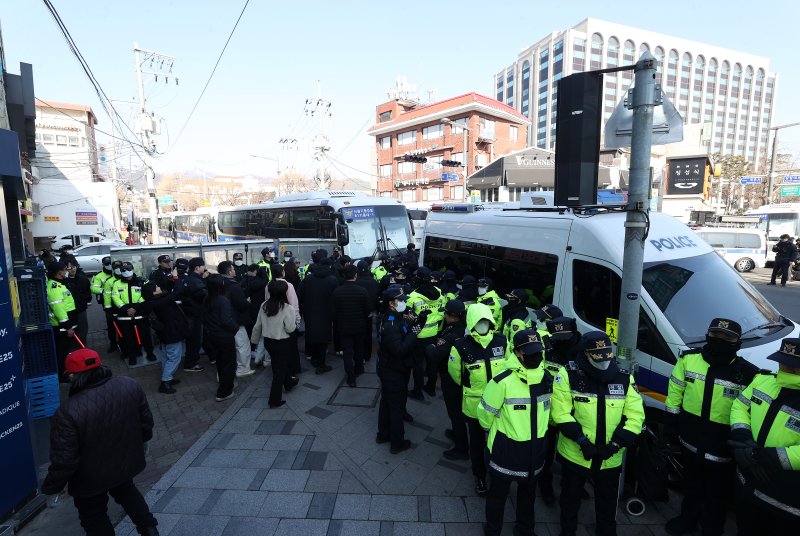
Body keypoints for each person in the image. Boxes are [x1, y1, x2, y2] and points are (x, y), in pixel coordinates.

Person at [41, 349, 159, 536]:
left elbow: (64, 459)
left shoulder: (67, 411)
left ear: (72, 375)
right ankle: (150, 530)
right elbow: (146, 422)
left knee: (93, 515)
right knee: (127, 491)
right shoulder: (128, 385)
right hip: (123, 463)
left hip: (89, 479)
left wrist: (51, 487)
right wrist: (143, 443)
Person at [664, 318, 758, 536]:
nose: (720, 340)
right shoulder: (688, 360)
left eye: (727, 337)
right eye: (715, 335)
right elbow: (675, 391)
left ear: (738, 342)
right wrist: (671, 422)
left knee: (718, 494)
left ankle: (712, 528)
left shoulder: (747, 373)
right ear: (707, 336)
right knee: (691, 485)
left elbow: (748, 410)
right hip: (690, 437)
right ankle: (687, 520)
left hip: (722, 446)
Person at [551, 331, 645, 536]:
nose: (603, 361)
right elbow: (560, 413)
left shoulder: (623, 377)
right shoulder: (568, 375)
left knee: (608, 503)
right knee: (570, 500)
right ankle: (567, 531)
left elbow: (636, 416)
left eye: (606, 355)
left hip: (610, 458)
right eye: (597, 356)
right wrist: (582, 441)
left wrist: (615, 445)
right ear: (585, 353)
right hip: (576, 455)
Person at [477, 329, 555, 536]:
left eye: (537, 350)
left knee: (528, 494)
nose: (534, 355)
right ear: (516, 352)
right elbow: (485, 414)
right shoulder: (502, 380)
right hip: (506, 447)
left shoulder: (546, 378)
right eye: (528, 351)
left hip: (536, 448)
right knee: (498, 495)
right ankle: (493, 531)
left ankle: (525, 529)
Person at [728, 337, 800, 535]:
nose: (784, 368)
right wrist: (742, 436)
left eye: (793, 366)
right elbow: (740, 405)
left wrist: (761, 457)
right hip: (748, 485)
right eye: (783, 362)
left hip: (787, 500)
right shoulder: (764, 381)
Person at [448, 302, 509, 496]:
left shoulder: (502, 341)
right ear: (471, 322)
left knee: (499, 441)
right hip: (474, 405)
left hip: (500, 405)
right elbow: (456, 374)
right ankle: (480, 476)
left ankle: (498, 472)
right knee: (476, 443)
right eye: (479, 321)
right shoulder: (460, 346)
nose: (483, 325)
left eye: (486, 321)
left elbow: (509, 369)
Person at [376, 285, 421, 454]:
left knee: (386, 401)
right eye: (400, 300)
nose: (404, 303)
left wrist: (411, 321)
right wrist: (416, 330)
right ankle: (397, 442)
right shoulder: (389, 324)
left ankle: (383, 433)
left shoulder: (392, 317)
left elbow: (400, 329)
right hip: (393, 371)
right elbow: (400, 349)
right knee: (396, 406)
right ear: (391, 303)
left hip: (388, 368)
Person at [425, 299, 469, 460]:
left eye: (446, 312)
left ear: (451, 316)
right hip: (461, 376)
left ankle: (462, 448)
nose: (443, 314)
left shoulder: (451, 334)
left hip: (451, 378)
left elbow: (435, 355)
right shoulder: (465, 328)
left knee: (455, 412)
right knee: (457, 411)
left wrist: (431, 346)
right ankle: (457, 433)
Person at [251, 279, 298, 408]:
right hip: (282, 342)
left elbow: (258, 325)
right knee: (279, 371)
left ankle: (289, 383)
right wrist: (295, 324)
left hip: (268, 342)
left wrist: (254, 342)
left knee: (279, 364)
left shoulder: (264, 305)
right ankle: (274, 400)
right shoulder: (287, 308)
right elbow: (290, 328)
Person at [139, 282, 188, 394]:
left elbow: (169, 293)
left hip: (166, 334)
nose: (159, 287)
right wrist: (176, 279)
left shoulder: (154, 301)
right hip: (171, 334)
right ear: (153, 292)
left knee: (167, 356)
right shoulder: (159, 303)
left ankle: (168, 377)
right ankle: (165, 381)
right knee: (174, 357)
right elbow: (176, 292)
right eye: (157, 287)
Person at [407, 266, 445, 399]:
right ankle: (431, 388)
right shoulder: (440, 293)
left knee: (418, 365)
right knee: (431, 362)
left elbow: (408, 316)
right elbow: (442, 313)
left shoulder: (413, 296)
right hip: (434, 333)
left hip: (418, 335)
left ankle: (417, 391)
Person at [332, 265, 370, 386]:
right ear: (356, 275)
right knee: (359, 349)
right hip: (359, 325)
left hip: (343, 326)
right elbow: (367, 309)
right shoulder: (362, 291)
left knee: (347, 352)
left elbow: (333, 310)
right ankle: (359, 368)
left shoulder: (337, 291)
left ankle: (351, 377)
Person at [112, 262, 156, 366]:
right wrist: (125, 308)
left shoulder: (142, 281)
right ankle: (132, 357)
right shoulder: (117, 283)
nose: (126, 271)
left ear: (132, 269)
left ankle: (150, 353)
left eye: (128, 269)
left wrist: (135, 307)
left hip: (140, 314)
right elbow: (115, 297)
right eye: (123, 270)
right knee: (129, 338)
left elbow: (146, 295)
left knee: (146, 336)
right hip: (125, 316)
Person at [299, 257, 339, 374]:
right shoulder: (332, 280)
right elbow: (336, 297)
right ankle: (321, 364)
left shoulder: (308, 279)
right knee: (324, 338)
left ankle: (314, 359)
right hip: (327, 312)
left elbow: (300, 295)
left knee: (312, 334)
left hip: (310, 311)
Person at [202, 274, 238, 402]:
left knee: (221, 363)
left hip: (213, 336)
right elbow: (226, 320)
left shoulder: (207, 298)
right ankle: (224, 391)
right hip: (224, 336)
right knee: (228, 363)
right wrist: (236, 328)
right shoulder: (222, 300)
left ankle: (226, 384)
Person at [218, 260, 254, 378]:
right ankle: (243, 369)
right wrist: (247, 302)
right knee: (242, 345)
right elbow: (240, 305)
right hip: (236, 320)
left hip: (220, 320)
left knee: (225, 349)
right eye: (233, 269)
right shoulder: (233, 285)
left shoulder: (216, 282)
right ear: (229, 271)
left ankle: (222, 374)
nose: (234, 270)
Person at [265, 263, 301, 378]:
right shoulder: (288, 286)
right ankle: (293, 371)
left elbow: (267, 302)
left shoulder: (268, 285)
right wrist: (297, 321)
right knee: (291, 347)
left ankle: (281, 372)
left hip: (273, 321)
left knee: (279, 351)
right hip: (288, 320)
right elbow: (294, 304)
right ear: (283, 272)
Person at [47, 261, 78, 378]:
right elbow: (58, 309)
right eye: (65, 269)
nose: (67, 271)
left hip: (65, 325)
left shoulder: (59, 284)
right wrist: (68, 327)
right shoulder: (54, 287)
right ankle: (63, 374)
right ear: (59, 272)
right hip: (61, 327)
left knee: (65, 350)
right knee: (62, 351)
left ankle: (65, 370)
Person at [181, 257, 209, 372]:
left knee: (193, 339)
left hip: (190, 312)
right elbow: (204, 295)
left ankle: (191, 361)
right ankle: (190, 364)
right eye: (203, 266)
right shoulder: (195, 281)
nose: (205, 268)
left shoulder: (189, 278)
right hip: (195, 314)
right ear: (197, 268)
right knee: (195, 340)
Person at [241, 264, 269, 367]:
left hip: (252, 309)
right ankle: (265, 357)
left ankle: (253, 349)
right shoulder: (266, 283)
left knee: (254, 330)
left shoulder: (251, 283)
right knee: (263, 333)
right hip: (264, 309)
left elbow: (246, 295)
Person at [90, 257, 118, 352]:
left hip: (120, 301)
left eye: (110, 263)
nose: (109, 265)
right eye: (107, 264)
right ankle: (113, 344)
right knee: (111, 324)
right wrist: (106, 290)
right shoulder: (98, 276)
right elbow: (94, 289)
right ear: (103, 265)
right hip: (108, 303)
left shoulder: (118, 272)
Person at [355, 260, 380, 361]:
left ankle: (359, 356)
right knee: (368, 334)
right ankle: (367, 355)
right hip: (369, 313)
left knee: (358, 336)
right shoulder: (374, 282)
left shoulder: (355, 281)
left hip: (356, 313)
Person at [64, 261, 92, 344]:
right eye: (70, 267)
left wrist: (85, 299)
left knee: (83, 328)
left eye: (74, 267)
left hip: (81, 308)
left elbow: (88, 291)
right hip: (69, 310)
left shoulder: (82, 278)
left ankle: (82, 346)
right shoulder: (64, 281)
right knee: (72, 328)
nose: (72, 269)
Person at [101, 260, 124, 353]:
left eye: (119, 267)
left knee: (123, 328)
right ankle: (113, 345)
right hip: (113, 308)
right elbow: (107, 296)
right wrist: (107, 309)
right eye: (116, 268)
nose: (118, 269)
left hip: (123, 308)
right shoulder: (109, 281)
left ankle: (124, 347)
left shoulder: (126, 277)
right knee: (112, 328)